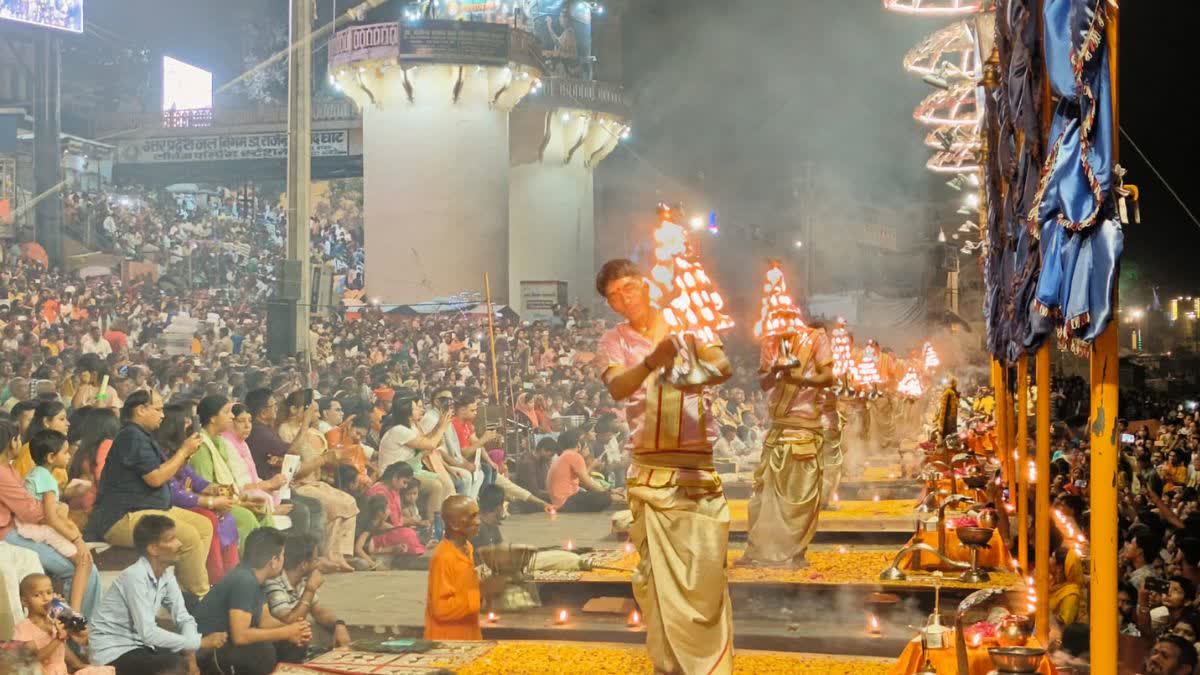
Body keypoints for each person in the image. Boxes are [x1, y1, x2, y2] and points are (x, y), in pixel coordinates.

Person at [595, 258, 735, 674]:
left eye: (628, 288)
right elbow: (619, 386)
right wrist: (653, 361)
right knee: (656, 581)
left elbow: (722, 368)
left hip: (696, 470)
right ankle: (669, 665)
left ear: (646, 284)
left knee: (706, 572)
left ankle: (709, 663)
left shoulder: (685, 320)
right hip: (650, 473)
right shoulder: (613, 340)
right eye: (613, 296)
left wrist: (685, 366)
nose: (623, 299)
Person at [84, 390, 215, 599]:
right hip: (121, 517)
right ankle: (200, 597)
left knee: (204, 526)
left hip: (148, 510)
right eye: (158, 409)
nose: (163, 415)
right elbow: (154, 478)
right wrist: (183, 451)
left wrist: (186, 454)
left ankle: (183, 590)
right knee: (188, 536)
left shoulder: (141, 435)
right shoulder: (131, 436)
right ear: (141, 410)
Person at [741, 319, 835, 569]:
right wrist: (776, 372)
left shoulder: (815, 339)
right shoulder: (769, 340)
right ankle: (760, 550)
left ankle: (795, 552)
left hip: (804, 429)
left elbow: (828, 377)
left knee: (800, 496)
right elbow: (763, 382)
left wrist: (800, 380)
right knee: (762, 498)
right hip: (777, 430)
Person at [89, 515, 229, 675]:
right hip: (113, 652)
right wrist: (198, 642)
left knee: (205, 654)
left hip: (141, 646)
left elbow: (183, 618)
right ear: (153, 549)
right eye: (171, 539)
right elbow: (148, 633)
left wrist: (192, 655)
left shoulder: (166, 574)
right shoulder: (134, 577)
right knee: (176, 667)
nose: (179, 543)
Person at [1, 418, 101, 619]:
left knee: (85, 566)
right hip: (11, 533)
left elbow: (35, 505)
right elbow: (32, 512)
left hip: (23, 529)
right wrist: (62, 514)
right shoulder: (2, 473)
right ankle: (77, 627)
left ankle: (78, 626)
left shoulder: (10, 468)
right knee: (81, 567)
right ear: (12, 442)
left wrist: (59, 505)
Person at [194, 527, 311, 675]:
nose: (283, 560)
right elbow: (240, 636)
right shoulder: (244, 580)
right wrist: (287, 631)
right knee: (262, 652)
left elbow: (265, 620)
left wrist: (297, 628)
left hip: (228, 642)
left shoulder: (257, 579)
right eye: (282, 555)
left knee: (292, 642)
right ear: (273, 561)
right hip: (209, 651)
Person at [276, 390, 360, 573]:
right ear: (294, 409)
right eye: (312, 411)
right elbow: (292, 466)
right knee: (337, 505)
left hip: (316, 482)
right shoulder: (285, 430)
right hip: (299, 485)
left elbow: (323, 459)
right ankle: (329, 556)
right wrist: (305, 426)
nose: (316, 415)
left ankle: (340, 555)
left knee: (349, 502)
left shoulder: (315, 432)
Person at [18, 429, 93, 615]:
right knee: (84, 561)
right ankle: (74, 612)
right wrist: (76, 539)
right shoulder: (47, 479)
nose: (69, 456)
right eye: (65, 452)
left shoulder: (35, 474)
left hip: (29, 528)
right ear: (51, 457)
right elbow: (51, 518)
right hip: (40, 530)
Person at [243, 389, 323, 555]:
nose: (277, 409)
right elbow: (292, 452)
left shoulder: (266, 428)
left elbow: (284, 456)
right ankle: (295, 559)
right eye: (273, 406)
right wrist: (305, 424)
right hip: (268, 489)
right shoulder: (260, 432)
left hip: (279, 486)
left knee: (315, 505)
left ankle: (311, 555)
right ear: (264, 412)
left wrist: (280, 460)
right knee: (302, 510)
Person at [424, 495, 502, 641]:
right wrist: (480, 592)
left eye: (478, 514)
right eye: (472, 517)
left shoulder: (468, 548)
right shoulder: (443, 557)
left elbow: (465, 589)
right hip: (447, 641)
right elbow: (441, 609)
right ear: (454, 524)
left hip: (468, 635)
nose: (478, 522)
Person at [264, 533, 353, 658]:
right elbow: (289, 622)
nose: (318, 564)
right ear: (303, 565)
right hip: (274, 648)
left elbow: (319, 611)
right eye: (315, 559)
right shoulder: (273, 583)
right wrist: (310, 590)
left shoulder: (300, 581)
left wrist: (339, 624)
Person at [378, 392, 449, 540]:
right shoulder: (399, 430)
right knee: (436, 485)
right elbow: (429, 444)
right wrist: (442, 428)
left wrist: (438, 428)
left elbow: (427, 441)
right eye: (416, 408)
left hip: (405, 471)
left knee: (442, 482)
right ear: (407, 412)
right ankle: (433, 528)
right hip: (393, 476)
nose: (420, 410)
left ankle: (433, 524)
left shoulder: (411, 428)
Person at [14, 573, 114, 675]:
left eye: (49, 593)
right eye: (37, 595)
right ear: (24, 601)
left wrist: (79, 665)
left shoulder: (53, 620)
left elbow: (63, 649)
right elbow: (33, 659)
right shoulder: (23, 627)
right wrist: (58, 639)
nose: (45, 598)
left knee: (102, 672)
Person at [363, 462, 425, 559]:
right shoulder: (378, 492)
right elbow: (377, 523)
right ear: (395, 477)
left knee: (420, 531)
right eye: (404, 482)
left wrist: (416, 523)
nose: (405, 486)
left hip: (394, 530)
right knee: (409, 534)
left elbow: (397, 519)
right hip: (376, 534)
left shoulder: (394, 489)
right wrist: (399, 528)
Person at [547, 428, 611, 512]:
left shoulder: (566, 455)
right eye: (583, 441)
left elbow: (582, 483)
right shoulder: (574, 456)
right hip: (565, 502)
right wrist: (607, 492)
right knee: (605, 498)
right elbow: (587, 483)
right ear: (578, 444)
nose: (586, 445)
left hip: (559, 501)